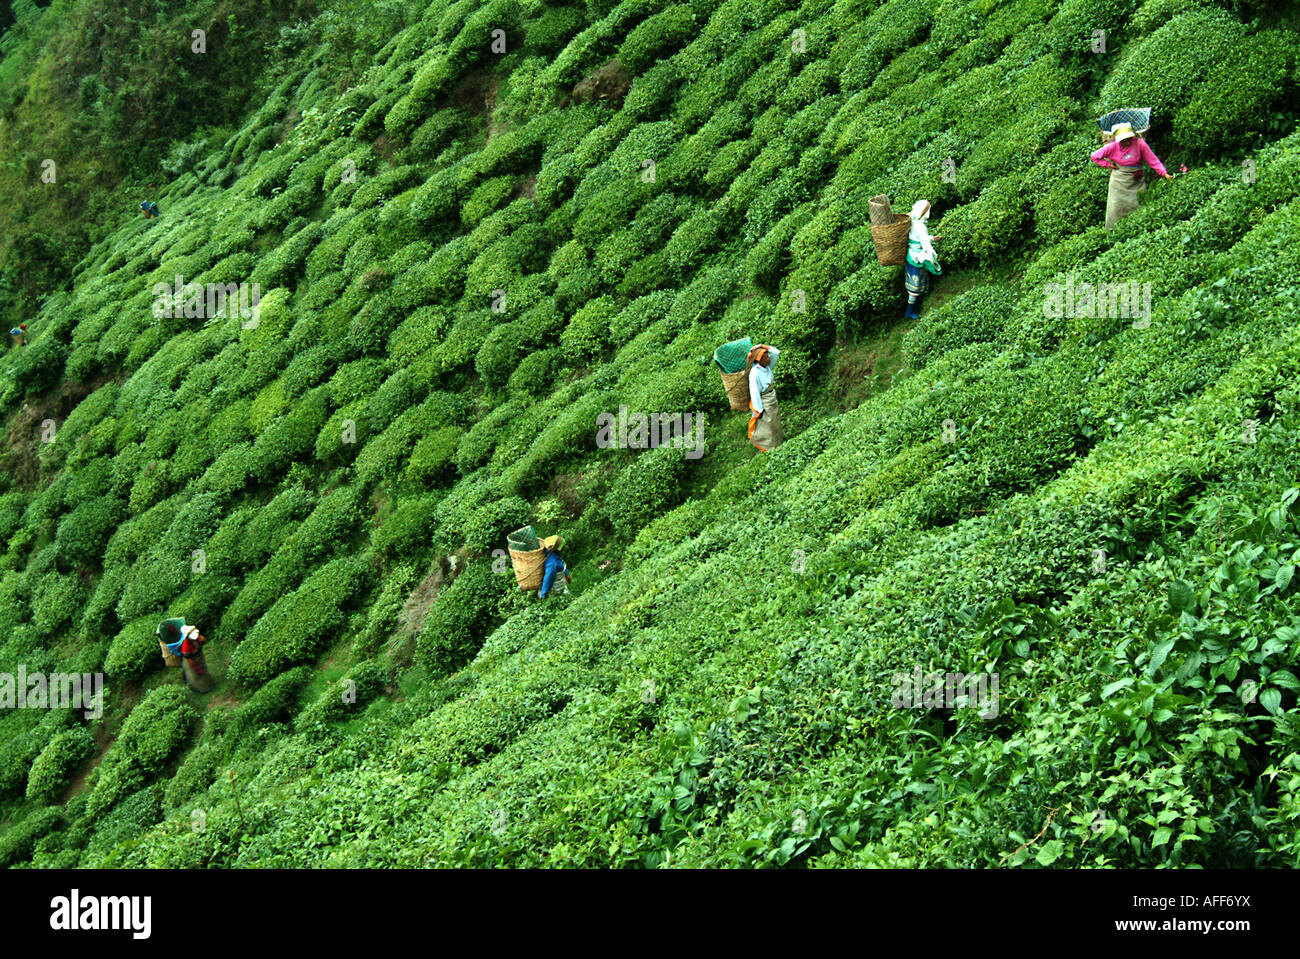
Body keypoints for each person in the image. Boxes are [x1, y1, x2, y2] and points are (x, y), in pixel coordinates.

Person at [1090, 123, 1171, 230]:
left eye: (1128, 139)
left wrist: (1164, 173)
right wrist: (1108, 165)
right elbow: (1095, 156)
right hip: (1118, 181)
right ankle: (1114, 232)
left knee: (1139, 205)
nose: (1126, 142)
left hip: (1136, 180)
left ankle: (1141, 230)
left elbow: (1153, 161)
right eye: (1123, 140)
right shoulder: (1112, 146)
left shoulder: (1140, 144)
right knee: (1116, 208)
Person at [904, 200, 942, 319]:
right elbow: (924, 243)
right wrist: (932, 253)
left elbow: (916, 239)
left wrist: (932, 238)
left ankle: (915, 307)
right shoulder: (921, 226)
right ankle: (909, 311)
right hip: (917, 257)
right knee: (915, 286)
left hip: (910, 255)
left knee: (914, 283)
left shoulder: (912, 222)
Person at [157, 618, 214, 693]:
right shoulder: (185, 647)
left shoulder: (195, 637)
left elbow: (203, 640)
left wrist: (201, 640)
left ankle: (209, 684)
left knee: (204, 670)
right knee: (195, 676)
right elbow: (188, 658)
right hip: (191, 659)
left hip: (198, 656)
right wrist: (196, 667)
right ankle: (201, 689)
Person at [747, 343, 785, 452]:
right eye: (765, 357)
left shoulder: (767, 366)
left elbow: (776, 353)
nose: (768, 359)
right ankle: (769, 447)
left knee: (775, 420)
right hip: (764, 400)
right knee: (768, 424)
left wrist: (763, 346)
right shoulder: (755, 374)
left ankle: (779, 442)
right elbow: (754, 392)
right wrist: (759, 409)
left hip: (771, 396)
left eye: (768, 356)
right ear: (759, 360)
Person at [539, 535, 570, 599]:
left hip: (561, 583)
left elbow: (561, 563)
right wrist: (543, 595)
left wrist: (566, 574)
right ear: (558, 548)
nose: (565, 547)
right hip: (556, 589)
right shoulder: (552, 563)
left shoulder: (556, 553)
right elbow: (548, 578)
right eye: (563, 546)